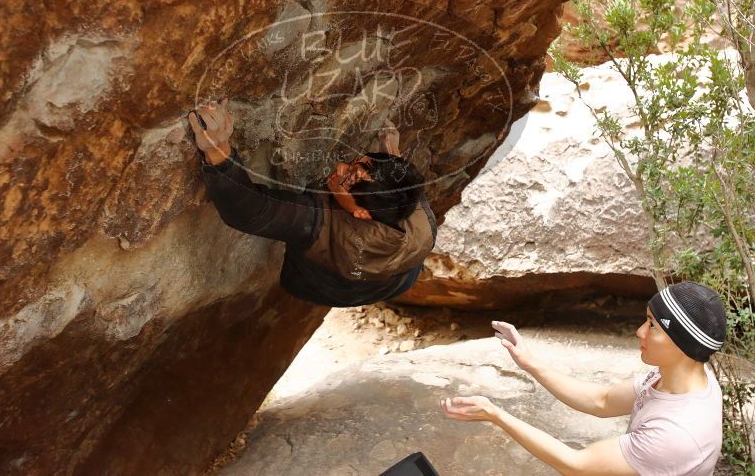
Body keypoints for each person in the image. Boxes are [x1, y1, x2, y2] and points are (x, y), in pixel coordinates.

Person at [440, 281, 727, 475]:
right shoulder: (683, 376)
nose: (639, 332)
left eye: (652, 325)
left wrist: (495, 414)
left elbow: (575, 465)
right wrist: (530, 363)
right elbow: (600, 401)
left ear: (681, 344)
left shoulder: (676, 435)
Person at [186, 99, 437, 307]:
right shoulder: (418, 213)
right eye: (354, 164)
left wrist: (217, 148)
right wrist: (390, 156)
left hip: (331, 289)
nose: (340, 168)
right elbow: (402, 186)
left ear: (361, 214)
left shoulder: (319, 223)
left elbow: (250, 211)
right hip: (399, 278)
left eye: (348, 178)